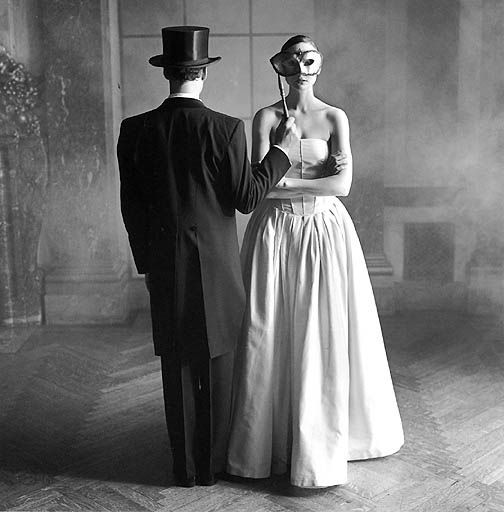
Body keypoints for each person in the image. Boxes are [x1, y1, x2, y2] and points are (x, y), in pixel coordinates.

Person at [117, 26, 297, 488]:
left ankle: (183, 468)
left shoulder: (135, 130)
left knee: (176, 369)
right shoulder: (226, 128)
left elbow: (131, 207)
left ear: (168, 74)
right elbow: (247, 198)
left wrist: (147, 265)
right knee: (217, 369)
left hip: (164, 265)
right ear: (202, 74)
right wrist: (280, 152)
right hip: (217, 271)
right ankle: (211, 468)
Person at [226, 35, 404, 488]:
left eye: (308, 60)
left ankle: (325, 438)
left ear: (318, 65)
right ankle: (269, 438)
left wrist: (285, 183)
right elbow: (256, 187)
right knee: (268, 325)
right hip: (275, 231)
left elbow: (342, 185)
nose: (301, 68)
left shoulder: (334, 117)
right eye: (292, 61)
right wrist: (287, 180)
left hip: (325, 230)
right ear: (281, 68)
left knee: (324, 324)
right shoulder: (267, 118)